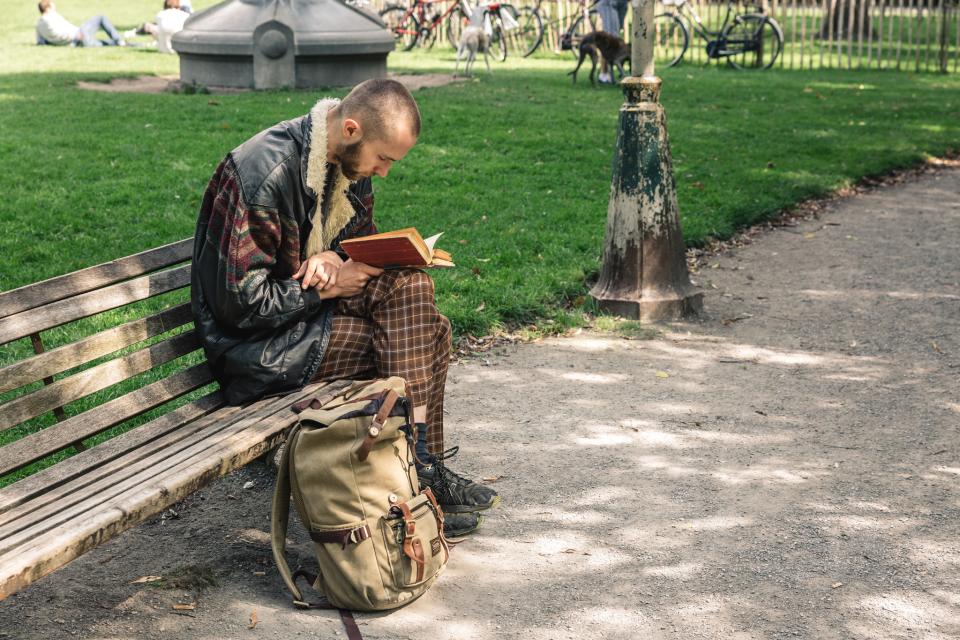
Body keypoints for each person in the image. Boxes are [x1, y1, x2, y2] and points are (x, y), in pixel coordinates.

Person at [191, 79, 499, 536]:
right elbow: (239, 305)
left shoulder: (346, 166)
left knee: (412, 290)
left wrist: (335, 256)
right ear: (351, 128)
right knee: (428, 335)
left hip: (306, 324)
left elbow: (351, 249)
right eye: (384, 159)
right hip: (256, 352)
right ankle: (417, 478)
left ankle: (417, 469)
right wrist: (324, 290)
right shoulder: (265, 173)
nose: (384, 172)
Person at [35, 0, 125, 47]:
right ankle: (119, 40)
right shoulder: (53, 16)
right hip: (78, 36)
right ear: (48, 7)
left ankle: (125, 43)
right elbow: (66, 30)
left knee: (107, 44)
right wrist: (74, 37)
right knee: (101, 18)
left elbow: (41, 42)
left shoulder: (38, 25)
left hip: (73, 44)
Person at [124, 0, 191, 54]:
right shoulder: (185, 16)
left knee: (152, 27)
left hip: (163, 49)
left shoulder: (160, 15)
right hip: (180, 50)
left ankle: (133, 33)